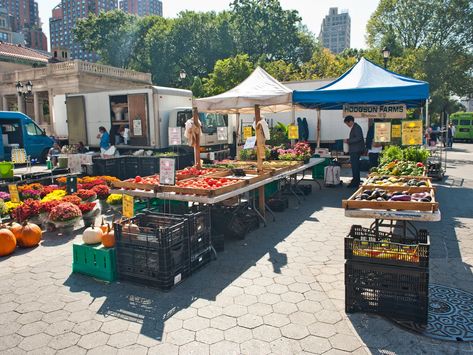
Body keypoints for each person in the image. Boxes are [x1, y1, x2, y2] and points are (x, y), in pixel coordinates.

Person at [344, 115, 365, 188]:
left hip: (356, 150)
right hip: (355, 150)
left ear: (351, 121)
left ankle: (355, 182)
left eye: (347, 123)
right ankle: (356, 180)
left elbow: (358, 138)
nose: (347, 125)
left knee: (355, 166)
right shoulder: (355, 127)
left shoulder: (356, 127)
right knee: (354, 166)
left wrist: (348, 140)